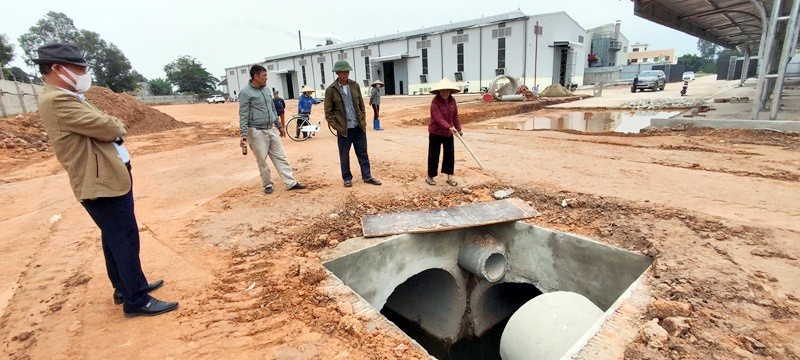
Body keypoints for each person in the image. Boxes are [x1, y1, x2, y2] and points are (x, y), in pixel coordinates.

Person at [35, 43, 178, 317]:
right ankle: (136, 300)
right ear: (57, 68)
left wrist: (109, 127)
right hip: (100, 181)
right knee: (124, 238)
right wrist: (111, 127)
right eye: (79, 68)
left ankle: (125, 286)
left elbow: (105, 125)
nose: (83, 73)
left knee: (114, 237)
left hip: (109, 176)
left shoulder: (71, 95)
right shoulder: (57, 100)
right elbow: (110, 126)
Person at [239, 64, 306, 194]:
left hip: (271, 128)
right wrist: (243, 134)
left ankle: (290, 182)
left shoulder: (266, 90)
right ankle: (267, 184)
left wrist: (279, 125)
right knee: (262, 159)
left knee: (281, 156)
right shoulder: (245, 93)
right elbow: (243, 114)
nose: (266, 79)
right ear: (255, 76)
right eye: (264, 76)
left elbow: (272, 109)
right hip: (256, 131)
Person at [324, 60, 382, 188]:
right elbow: (328, 113)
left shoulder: (354, 85)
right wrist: (337, 126)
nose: (346, 73)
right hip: (344, 129)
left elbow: (361, 105)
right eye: (343, 71)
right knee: (344, 154)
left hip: (358, 127)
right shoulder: (331, 90)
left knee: (363, 152)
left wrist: (363, 120)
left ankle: (367, 176)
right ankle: (347, 178)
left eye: (347, 71)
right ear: (338, 73)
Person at [426, 77, 462, 187]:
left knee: (449, 155)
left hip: (448, 133)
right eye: (442, 91)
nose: (445, 93)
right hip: (435, 133)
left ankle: (449, 176)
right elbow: (438, 117)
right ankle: (430, 176)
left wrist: (459, 129)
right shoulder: (435, 102)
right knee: (434, 155)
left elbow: (455, 116)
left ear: (450, 91)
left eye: (447, 91)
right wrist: (448, 127)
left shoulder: (452, 101)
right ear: (439, 91)